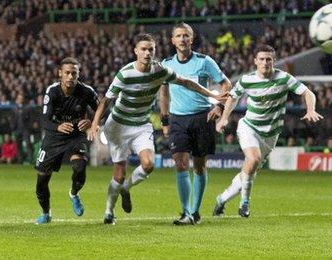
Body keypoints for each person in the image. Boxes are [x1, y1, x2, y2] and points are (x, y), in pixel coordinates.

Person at [87, 33, 226, 225]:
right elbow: (105, 101)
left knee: (149, 164)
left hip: (141, 125)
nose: (147, 53)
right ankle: (109, 212)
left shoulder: (160, 71)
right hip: (118, 125)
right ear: (135, 51)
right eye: (143, 49)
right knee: (119, 173)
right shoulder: (125, 73)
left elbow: (186, 82)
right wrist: (95, 123)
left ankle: (126, 188)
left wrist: (212, 94)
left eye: (151, 49)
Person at [214, 45, 323, 218]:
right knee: (253, 159)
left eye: (269, 59)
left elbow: (308, 93)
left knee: (250, 169)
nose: (265, 62)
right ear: (255, 61)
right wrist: (224, 118)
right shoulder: (247, 80)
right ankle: (245, 202)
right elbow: (232, 98)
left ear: (273, 61)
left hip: (271, 134)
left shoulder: (284, 78)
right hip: (249, 127)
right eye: (262, 59)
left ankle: (221, 199)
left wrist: (311, 109)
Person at [160, 23, 232, 225]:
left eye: (186, 36)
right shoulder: (166, 64)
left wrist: (218, 106)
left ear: (191, 39)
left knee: (199, 166)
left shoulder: (205, 61)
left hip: (202, 117)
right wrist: (164, 120)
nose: (182, 39)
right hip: (177, 119)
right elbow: (163, 93)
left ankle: (195, 210)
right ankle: (185, 213)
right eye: (178, 36)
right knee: (180, 164)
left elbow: (226, 83)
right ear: (172, 40)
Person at [34, 57, 98, 224]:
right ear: (60, 74)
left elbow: (101, 109)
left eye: (74, 73)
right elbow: (45, 120)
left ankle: (74, 193)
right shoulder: (52, 91)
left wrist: (92, 122)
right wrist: (58, 127)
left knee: (80, 166)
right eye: (67, 73)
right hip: (54, 136)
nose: (70, 77)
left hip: (76, 134)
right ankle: (46, 213)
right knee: (41, 180)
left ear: (78, 75)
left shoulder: (86, 91)